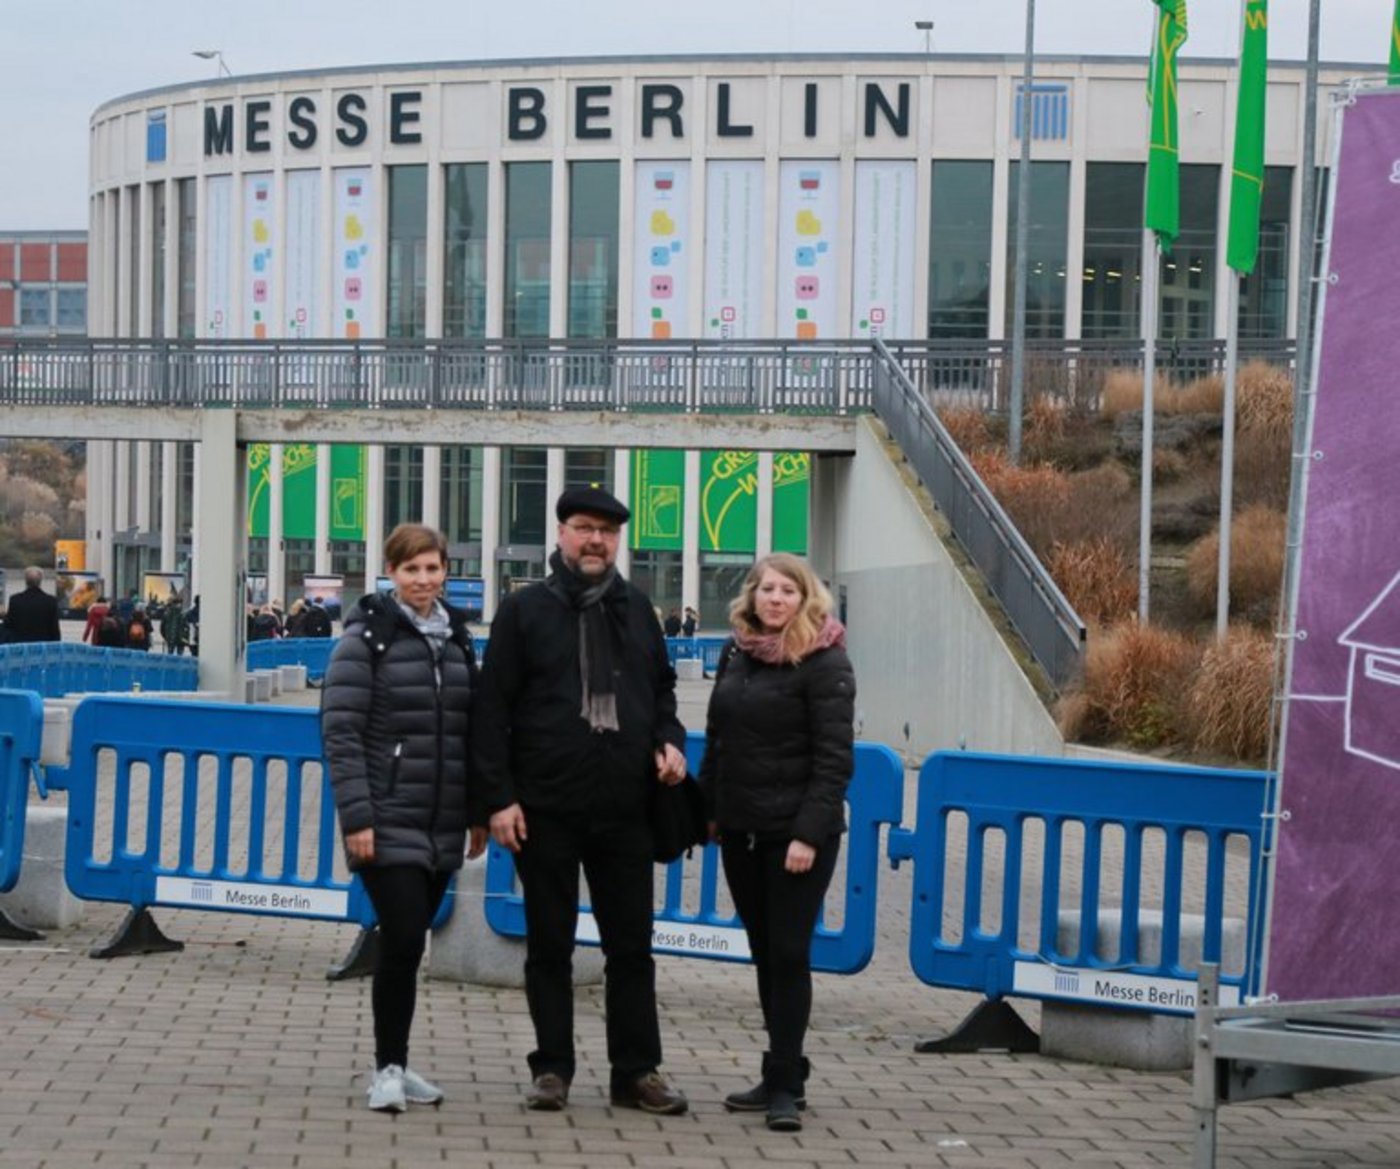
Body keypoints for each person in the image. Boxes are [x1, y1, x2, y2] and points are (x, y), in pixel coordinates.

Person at [474, 485, 690, 1116]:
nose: (596, 540)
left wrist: (670, 742)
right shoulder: (525, 612)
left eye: (608, 531)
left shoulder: (638, 608)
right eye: (584, 528)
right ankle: (552, 1069)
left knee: (632, 948)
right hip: (545, 807)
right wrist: (499, 799)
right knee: (549, 944)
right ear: (561, 533)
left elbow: (663, 692)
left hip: (625, 806)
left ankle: (636, 1072)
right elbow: (492, 711)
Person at [321, 523, 486, 1114]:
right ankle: (386, 1069)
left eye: (432, 568)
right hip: (386, 816)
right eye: (410, 569)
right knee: (404, 935)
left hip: (443, 819)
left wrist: (476, 812)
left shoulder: (461, 642)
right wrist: (357, 817)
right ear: (391, 573)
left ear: (446, 571)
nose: (423, 580)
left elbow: (473, 734)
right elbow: (341, 734)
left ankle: (399, 1061)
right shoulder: (366, 640)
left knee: (410, 943)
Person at [698, 553, 855, 1132]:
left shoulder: (825, 659)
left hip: (796, 837)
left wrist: (808, 833)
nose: (776, 599)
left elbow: (835, 759)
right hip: (741, 831)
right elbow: (717, 737)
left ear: (806, 597)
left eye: (788, 590)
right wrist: (709, 811)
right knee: (765, 953)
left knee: (789, 953)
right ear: (752, 595)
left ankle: (788, 1084)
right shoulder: (735, 651)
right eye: (767, 589)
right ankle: (778, 1069)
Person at [4, 567, 62, 643]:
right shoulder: (51, 601)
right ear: (40, 581)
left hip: (21, 647)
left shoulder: (15, 600)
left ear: (26, 581)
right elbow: (55, 630)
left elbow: (8, 626)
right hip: (43, 648)